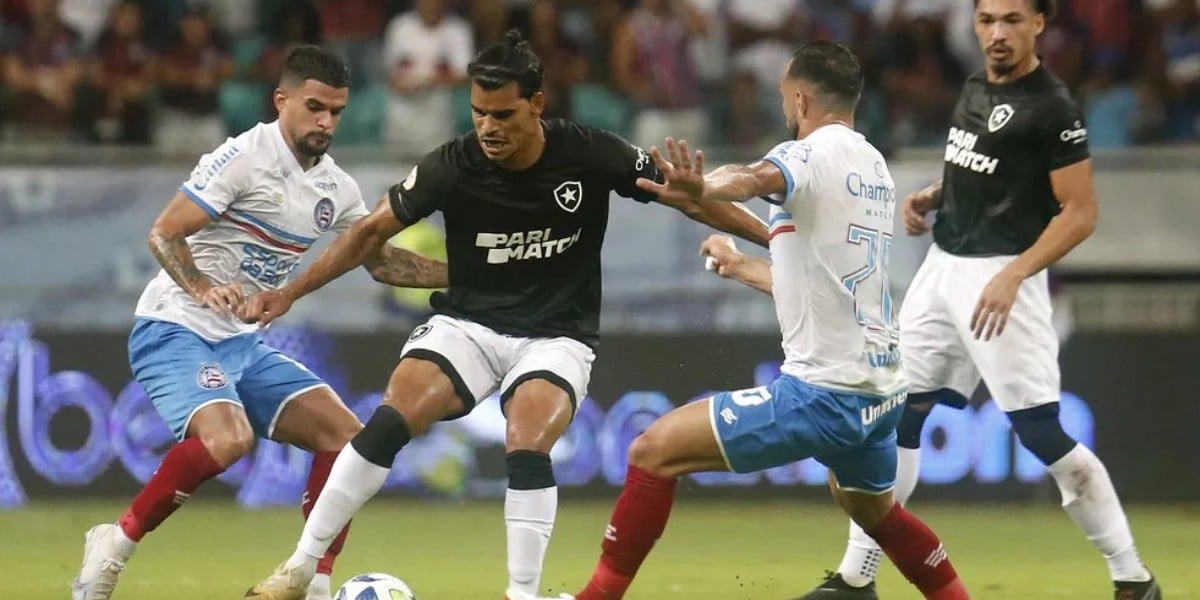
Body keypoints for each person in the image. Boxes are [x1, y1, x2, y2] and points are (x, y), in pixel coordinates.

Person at [240, 30, 769, 600]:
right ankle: (298, 569)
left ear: (537, 104)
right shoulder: (452, 164)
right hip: (468, 324)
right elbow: (368, 234)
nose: (488, 127)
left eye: (502, 113)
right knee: (395, 415)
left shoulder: (589, 152)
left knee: (527, 439)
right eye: (478, 113)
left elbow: (691, 196)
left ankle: (521, 595)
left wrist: (775, 242)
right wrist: (292, 293)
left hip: (556, 334)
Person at [549, 40, 970, 600]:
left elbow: (748, 177)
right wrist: (743, 263)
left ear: (799, 98)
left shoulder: (806, 154)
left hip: (825, 395)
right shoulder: (873, 168)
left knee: (652, 451)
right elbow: (819, 279)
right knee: (876, 513)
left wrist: (706, 186)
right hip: (881, 391)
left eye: (783, 98)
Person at [797, 2, 1161, 599]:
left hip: (1002, 276)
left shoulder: (1054, 109)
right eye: (988, 19)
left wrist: (1014, 274)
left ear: (1039, 24)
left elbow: (1081, 212)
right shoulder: (972, 86)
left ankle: (1133, 578)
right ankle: (855, 580)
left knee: (1042, 434)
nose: (998, 32)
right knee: (893, 418)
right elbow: (990, 171)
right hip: (941, 270)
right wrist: (938, 195)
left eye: (1013, 20)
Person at [70, 45, 448, 600]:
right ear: (282, 100)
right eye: (315, 107)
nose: (326, 122)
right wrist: (202, 285)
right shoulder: (243, 157)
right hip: (175, 327)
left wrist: (463, 275)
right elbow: (163, 231)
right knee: (229, 440)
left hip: (242, 343)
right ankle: (115, 543)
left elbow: (381, 261)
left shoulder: (336, 188)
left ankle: (313, 582)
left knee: (348, 440)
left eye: (336, 112)